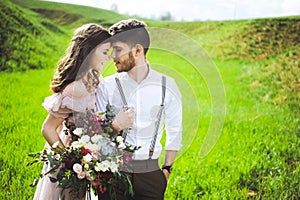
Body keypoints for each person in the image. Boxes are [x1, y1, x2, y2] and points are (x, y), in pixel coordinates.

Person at [33, 23, 134, 200]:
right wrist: (72, 162)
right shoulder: (76, 89)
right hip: (72, 158)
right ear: (88, 52)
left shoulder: (94, 81)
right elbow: (47, 128)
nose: (108, 58)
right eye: (104, 52)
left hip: (87, 155)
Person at [96, 19, 182, 199]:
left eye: (118, 49)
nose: (113, 56)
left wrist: (166, 170)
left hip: (151, 173)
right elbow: (94, 134)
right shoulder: (107, 86)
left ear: (137, 50)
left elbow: (175, 131)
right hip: (113, 172)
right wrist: (115, 126)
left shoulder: (167, 86)